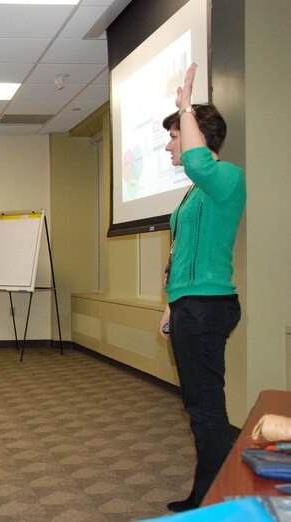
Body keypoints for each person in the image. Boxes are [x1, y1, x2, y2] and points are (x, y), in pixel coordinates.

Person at [158, 63, 246, 512]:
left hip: (208, 306)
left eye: (174, 134)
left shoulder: (225, 177)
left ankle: (215, 497)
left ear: (197, 134)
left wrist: (185, 106)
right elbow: (182, 249)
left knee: (205, 409)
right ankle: (213, 489)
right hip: (191, 305)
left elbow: (196, 158)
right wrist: (172, 304)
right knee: (201, 406)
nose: (169, 144)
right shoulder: (196, 192)